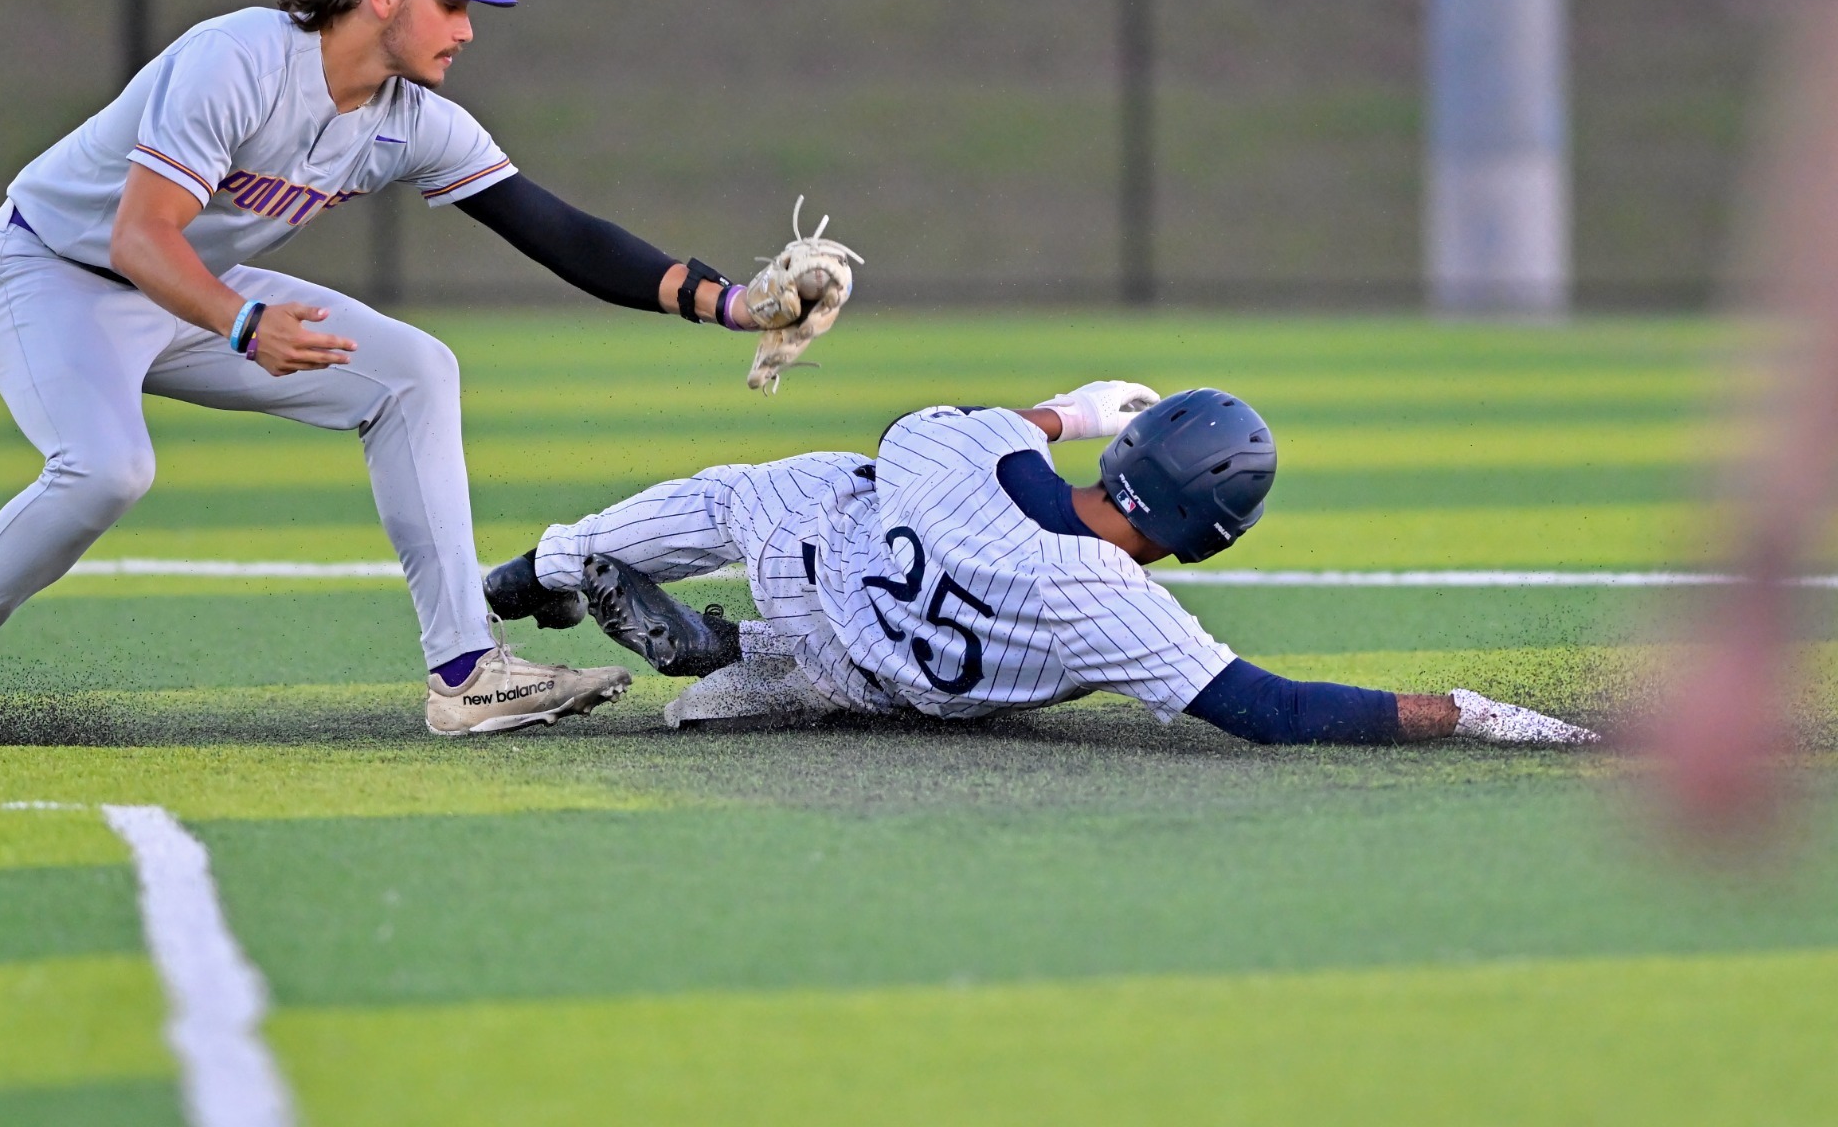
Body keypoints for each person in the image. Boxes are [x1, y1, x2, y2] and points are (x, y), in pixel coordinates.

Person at [0, 0, 853, 743]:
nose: (466, 30)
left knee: (416, 372)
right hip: (46, 273)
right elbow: (136, 237)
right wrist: (245, 324)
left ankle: (467, 675)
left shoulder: (413, 119)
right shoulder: (238, 59)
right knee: (107, 469)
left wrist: (731, 302)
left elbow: (557, 230)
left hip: (192, 286)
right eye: (449, 3)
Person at [482, 382, 1600, 744]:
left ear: (1126, 446)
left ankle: (552, 565)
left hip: (817, 561)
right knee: (865, 675)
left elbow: (985, 422)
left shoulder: (968, 445)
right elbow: (1275, 706)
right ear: (1211, 534)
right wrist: (1476, 712)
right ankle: (745, 659)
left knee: (757, 490)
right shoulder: (1119, 606)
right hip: (884, 684)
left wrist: (1060, 408)